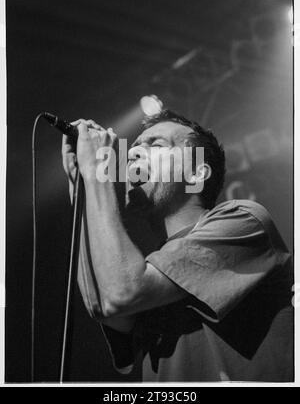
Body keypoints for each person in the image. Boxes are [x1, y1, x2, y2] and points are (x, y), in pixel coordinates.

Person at [62, 109, 293, 382]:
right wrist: (81, 188)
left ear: (196, 174)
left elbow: (120, 294)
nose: (133, 154)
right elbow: (102, 303)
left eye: (155, 145)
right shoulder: (149, 267)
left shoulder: (244, 220)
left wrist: (97, 174)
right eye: (134, 147)